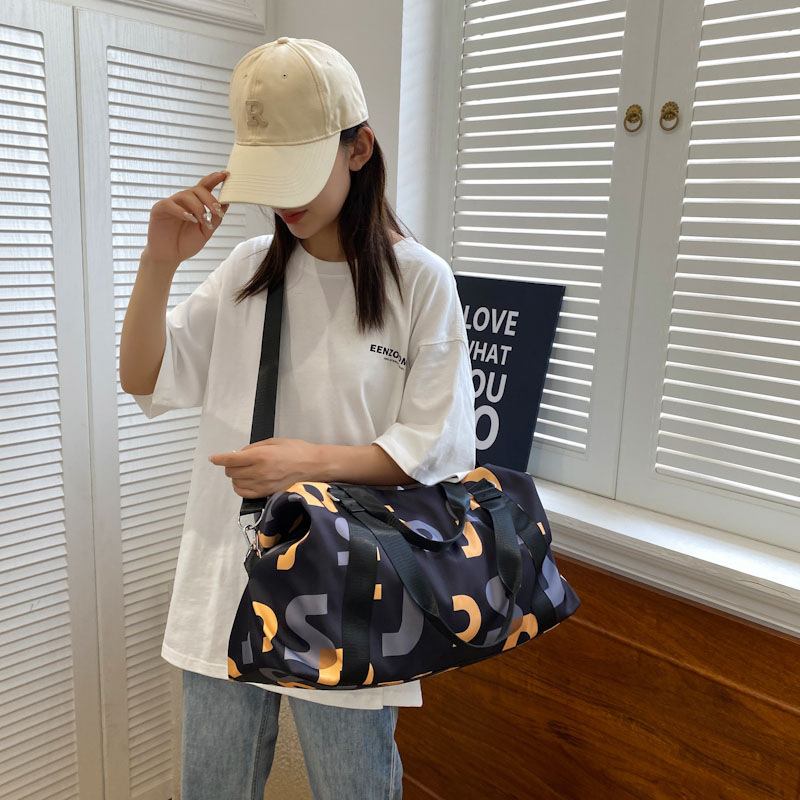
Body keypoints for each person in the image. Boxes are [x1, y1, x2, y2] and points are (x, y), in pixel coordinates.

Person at [119, 37, 475, 800]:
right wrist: (159, 262)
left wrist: (304, 462)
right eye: (269, 175)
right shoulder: (247, 268)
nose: (285, 200)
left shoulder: (419, 282)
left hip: (352, 587)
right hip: (229, 576)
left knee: (356, 787)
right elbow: (143, 377)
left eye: (300, 170)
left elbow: (435, 451)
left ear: (359, 149)